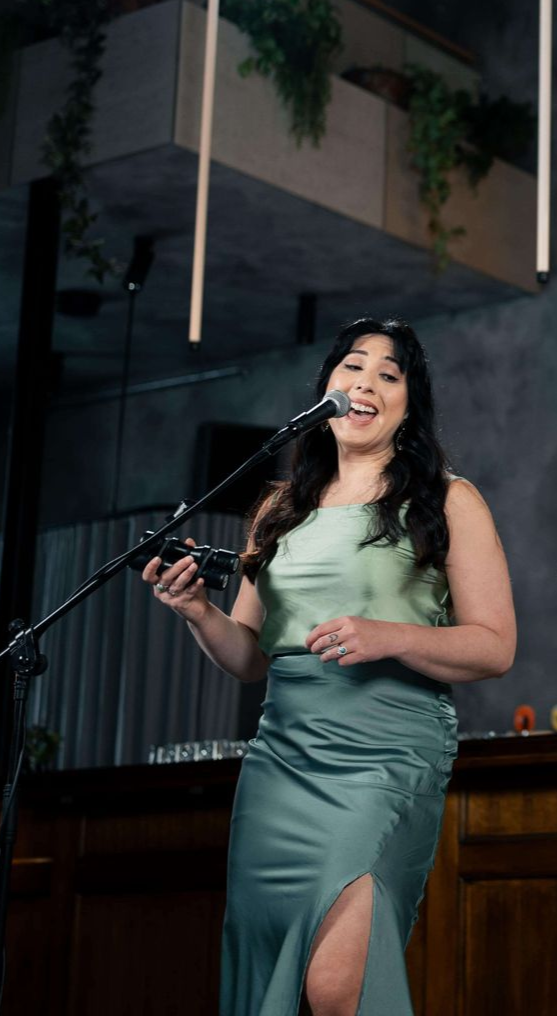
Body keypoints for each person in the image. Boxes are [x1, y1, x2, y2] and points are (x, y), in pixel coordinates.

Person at [145, 318, 516, 1016]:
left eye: (388, 374)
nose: (365, 383)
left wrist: (389, 636)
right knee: (271, 978)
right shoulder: (278, 509)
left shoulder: (448, 499)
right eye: (352, 367)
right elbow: (249, 656)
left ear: (409, 405)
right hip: (281, 762)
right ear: (326, 389)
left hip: (385, 755)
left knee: (337, 986)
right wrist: (198, 612)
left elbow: (496, 646)